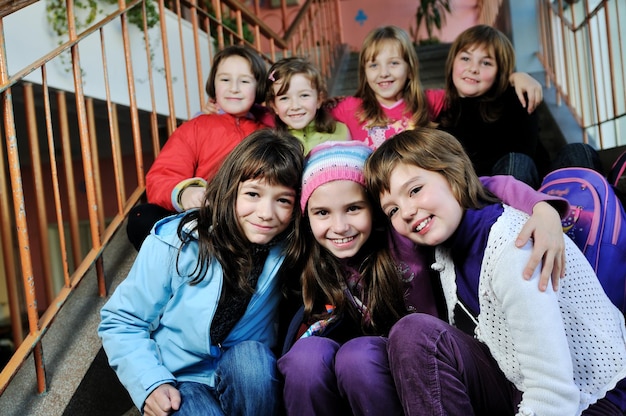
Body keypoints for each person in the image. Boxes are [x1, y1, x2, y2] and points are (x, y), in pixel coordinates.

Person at [278, 141, 569, 415]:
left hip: (419, 357)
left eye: (353, 208)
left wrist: (542, 208)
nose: (339, 226)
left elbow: (480, 185)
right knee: (306, 358)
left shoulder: (403, 233)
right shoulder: (310, 254)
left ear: (377, 209)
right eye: (322, 213)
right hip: (343, 359)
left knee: (359, 355)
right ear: (307, 217)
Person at [365, 127, 626, 416]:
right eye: (392, 210)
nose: (406, 212)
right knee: (411, 332)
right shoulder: (446, 247)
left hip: (590, 401)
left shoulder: (513, 247)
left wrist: (544, 209)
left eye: (414, 190)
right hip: (519, 386)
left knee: (415, 333)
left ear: (453, 175)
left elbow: (554, 395)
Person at [99, 130, 305, 416]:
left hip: (246, 377)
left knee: (253, 359)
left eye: (283, 200)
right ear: (229, 189)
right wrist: (151, 384)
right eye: (253, 194)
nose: (266, 212)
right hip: (180, 379)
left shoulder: (288, 246)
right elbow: (122, 320)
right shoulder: (177, 240)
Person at [126, 45, 268, 250]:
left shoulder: (266, 131)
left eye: (245, 81)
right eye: (225, 79)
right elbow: (162, 175)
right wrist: (185, 193)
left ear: (259, 87)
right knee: (142, 216)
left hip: (248, 215)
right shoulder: (195, 127)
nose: (234, 88)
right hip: (201, 213)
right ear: (214, 84)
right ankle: (194, 253)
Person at [437, 24, 601, 188]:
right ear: (452, 62)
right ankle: (513, 214)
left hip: (536, 186)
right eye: (465, 58)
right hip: (488, 195)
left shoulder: (517, 96)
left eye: (486, 63)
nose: (473, 69)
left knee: (579, 151)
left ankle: (588, 209)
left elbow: (526, 153)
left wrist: (518, 77)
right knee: (514, 164)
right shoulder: (442, 118)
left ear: (499, 72)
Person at [328, 25, 543, 149]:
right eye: (374, 65)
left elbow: (471, 93)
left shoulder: (429, 100)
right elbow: (310, 111)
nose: (383, 72)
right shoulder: (349, 106)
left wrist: (515, 76)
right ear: (364, 72)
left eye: (393, 63)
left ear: (410, 69)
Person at [266, 57, 351, 154]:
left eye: (304, 95)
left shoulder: (341, 131)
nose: (295, 106)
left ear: (319, 99)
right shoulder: (272, 144)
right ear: (274, 106)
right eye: (284, 98)